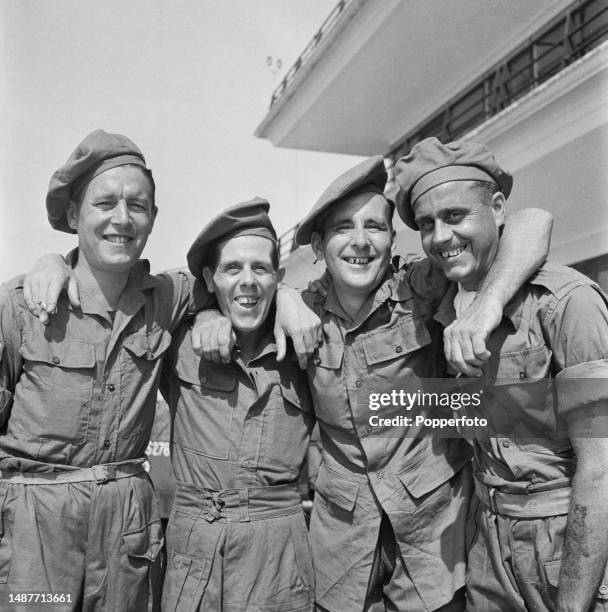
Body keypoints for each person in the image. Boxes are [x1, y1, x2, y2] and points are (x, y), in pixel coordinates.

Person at [196, 155, 553, 611]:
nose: (361, 242)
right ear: (320, 245)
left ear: (391, 239)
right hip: (342, 543)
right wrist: (270, 298)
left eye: (375, 227)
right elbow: (220, 287)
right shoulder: (300, 312)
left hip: (433, 539)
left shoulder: (420, 288)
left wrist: (488, 305)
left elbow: (533, 222)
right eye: (344, 228)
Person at [393, 136, 608, 611]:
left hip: (564, 547)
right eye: (426, 225)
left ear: (496, 207)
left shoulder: (568, 303)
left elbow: (602, 469)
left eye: (455, 216)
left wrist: (574, 604)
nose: (441, 237)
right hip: (485, 544)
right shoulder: (442, 306)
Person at [0, 129, 200, 611]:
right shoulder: (21, 305)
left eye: (138, 205)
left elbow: (236, 281)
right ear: (73, 215)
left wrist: (292, 300)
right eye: (105, 202)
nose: (122, 219)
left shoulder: (169, 299)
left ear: (153, 218)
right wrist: (49, 260)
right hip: (36, 534)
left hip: (127, 532)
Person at [160, 198, 315, 611]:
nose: (247, 280)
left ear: (277, 277)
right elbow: (136, 291)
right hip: (195, 545)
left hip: (278, 552)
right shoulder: (178, 343)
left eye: (260, 269)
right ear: (209, 278)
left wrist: (289, 295)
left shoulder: (305, 347)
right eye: (232, 268)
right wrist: (203, 312)